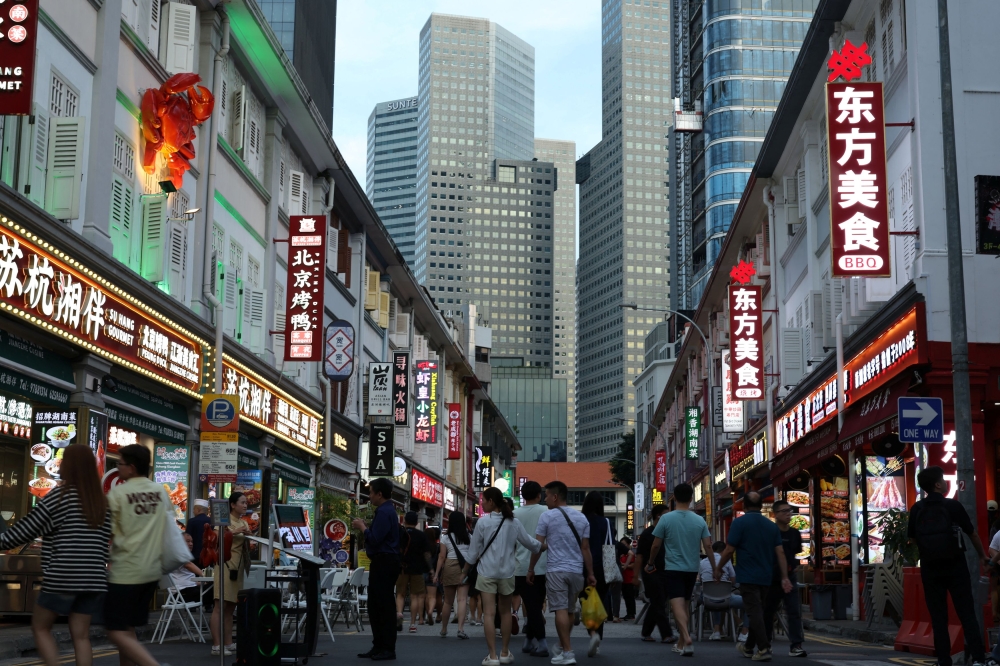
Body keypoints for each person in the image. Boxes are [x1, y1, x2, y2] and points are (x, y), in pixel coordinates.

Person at [0, 444, 110, 666]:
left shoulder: (60, 497)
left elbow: (24, 531)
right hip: (94, 579)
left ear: (67, 466)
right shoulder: (102, 503)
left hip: (63, 576)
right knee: (81, 636)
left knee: (40, 627)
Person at [908, 466, 989, 666]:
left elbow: (911, 539)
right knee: (967, 613)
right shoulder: (953, 506)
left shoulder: (917, 509)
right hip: (955, 566)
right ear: (937, 484)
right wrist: (982, 556)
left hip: (930, 569)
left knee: (938, 616)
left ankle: (944, 661)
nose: (945, 482)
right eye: (943, 480)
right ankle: (978, 659)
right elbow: (972, 534)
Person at [105, 444, 174, 666]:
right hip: (151, 572)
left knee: (115, 632)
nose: (118, 468)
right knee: (127, 629)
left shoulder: (118, 493)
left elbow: (108, 533)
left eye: (120, 463)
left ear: (132, 468)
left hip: (126, 571)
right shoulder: (160, 491)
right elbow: (169, 525)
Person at [463, 487, 541, 666]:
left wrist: (464, 571)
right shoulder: (512, 522)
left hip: (486, 572)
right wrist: (543, 547)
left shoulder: (483, 523)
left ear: (491, 501)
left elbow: (473, 552)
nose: (481, 503)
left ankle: (492, 656)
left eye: (483, 500)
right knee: (505, 613)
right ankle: (505, 653)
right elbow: (530, 543)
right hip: (507, 573)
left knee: (489, 614)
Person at [714, 491, 792, 662]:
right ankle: (749, 647)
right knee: (758, 611)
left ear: (744, 506)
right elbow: (780, 552)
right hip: (766, 576)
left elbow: (728, 550)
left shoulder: (739, 523)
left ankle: (764, 648)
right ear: (760, 505)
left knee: (754, 612)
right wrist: (784, 576)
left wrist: (718, 568)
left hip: (748, 575)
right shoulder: (771, 526)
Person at [528, 481, 597, 666]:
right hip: (576, 571)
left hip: (556, 569)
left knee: (560, 609)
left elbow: (538, 546)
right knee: (569, 609)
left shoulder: (547, 517)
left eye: (547, 495)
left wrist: (531, 568)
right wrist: (590, 573)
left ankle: (568, 652)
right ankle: (562, 647)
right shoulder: (582, 518)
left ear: (555, 497)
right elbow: (585, 548)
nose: (545, 499)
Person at [646, 482, 712, 656]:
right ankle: (683, 644)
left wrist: (651, 562)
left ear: (674, 498)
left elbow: (655, 545)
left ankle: (686, 637)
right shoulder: (699, 520)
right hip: (692, 568)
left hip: (673, 567)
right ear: (691, 498)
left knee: (676, 604)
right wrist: (715, 567)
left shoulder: (666, 518)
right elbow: (708, 546)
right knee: (686, 604)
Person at [351, 477, 400, 661]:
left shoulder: (385, 512)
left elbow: (375, 538)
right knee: (376, 605)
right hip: (385, 561)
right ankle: (379, 645)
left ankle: (386, 647)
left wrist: (363, 527)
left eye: (371, 492)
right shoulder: (387, 511)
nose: (369, 496)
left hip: (385, 561)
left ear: (380, 494)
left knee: (383, 606)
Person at [209, 492, 251, 655]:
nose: (245, 505)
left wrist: (248, 534)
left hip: (238, 568)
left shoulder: (243, 522)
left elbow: (248, 543)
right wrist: (236, 531)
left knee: (231, 606)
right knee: (220, 605)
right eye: (242, 502)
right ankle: (216, 645)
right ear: (232, 505)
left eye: (246, 502)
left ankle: (228, 642)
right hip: (225, 564)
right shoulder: (226, 521)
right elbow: (216, 537)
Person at [763, 500, 806, 657]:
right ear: (775, 514)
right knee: (768, 612)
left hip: (790, 578)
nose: (788, 514)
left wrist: (791, 571)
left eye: (790, 510)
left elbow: (795, 554)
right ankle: (765, 644)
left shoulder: (795, 533)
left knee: (794, 611)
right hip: (772, 579)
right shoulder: (770, 533)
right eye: (784, 511)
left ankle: (796, 645)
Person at [514, 481, 550, 657]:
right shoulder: (546, 511)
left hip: (520, 566)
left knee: (531, 604)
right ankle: (532, 641)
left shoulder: (513, 514)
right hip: (544, 565)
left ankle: (538, 642)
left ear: (522, 495)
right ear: (539, 495)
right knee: (536, 603)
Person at [634, 504, 676, 644]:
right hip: (651, 572)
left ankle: (646, 632)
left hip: (666, 571)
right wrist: (635, 576)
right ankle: (666, 634)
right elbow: (639, 557)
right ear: (658, 516)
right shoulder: (647, 534)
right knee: (658, 603)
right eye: (666, 514)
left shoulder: (667, 533)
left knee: (657, 603)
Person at [581, 490, 614, 650]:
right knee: (599, 603)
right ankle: (598, 636)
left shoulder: (580, 520)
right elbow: (609, 545)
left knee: (586, 604)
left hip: (582, 567)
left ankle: (592, 634)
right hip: (602, 568)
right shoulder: (606, 522)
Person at [434, 511, 472, 639]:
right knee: (462, 600)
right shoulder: (468, 536)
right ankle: (460, 629)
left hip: (450, 566)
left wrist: (437, 573)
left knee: (448, 602)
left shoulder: (446, 537)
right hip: (464, 568)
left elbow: (441, 557)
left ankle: (444, 629)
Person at [697, 541, 745, 641]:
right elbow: (733, 580)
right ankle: (745, 630)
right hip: (725, 598)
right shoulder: (726, 562)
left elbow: (700, 580)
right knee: (749, 601)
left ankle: (717, 630)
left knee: (716, 596)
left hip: (707, 599)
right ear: (724, 551)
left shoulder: (702, 562)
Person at [395, 511, 430, 633]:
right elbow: (426, 554)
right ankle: (413, 624)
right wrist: (430, 569)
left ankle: (399, 613)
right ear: (416, 522)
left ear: (404, 521)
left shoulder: (400, 534)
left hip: (402, 568)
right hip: (417, 569)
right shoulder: (421, 535)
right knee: (415, 596)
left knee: (400, 593)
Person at [171, 533, 206, 603]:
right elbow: (188, 565)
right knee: (217, 593)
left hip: (183, 591)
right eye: (187, 541)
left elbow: (185, 580)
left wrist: (203, 583)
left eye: (192, 541)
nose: (191, 544)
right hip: (182, 594)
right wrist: (206, 575)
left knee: (215, 589)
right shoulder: (178, 554)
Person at [424, 526, 442, 625]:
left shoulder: (422, 547)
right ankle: (437, 614)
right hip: (435, 572)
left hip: (423, 572)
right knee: (437, 595)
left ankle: (427, 614)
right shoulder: (438, 547)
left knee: (426, 595)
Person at [186, 499, 212, 565]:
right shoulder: (212, 521)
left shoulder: (192, 521)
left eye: (194, 509)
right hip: (210, 556)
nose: (193, 511)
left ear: (198, 509)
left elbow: (187, 538)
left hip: (195, 556)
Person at [619, 540, 636, 621]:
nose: (623, 546)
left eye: (624, 544)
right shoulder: (622, 554)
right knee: (626, 597)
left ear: (628, 544)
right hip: (623, 578)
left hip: (629, 578)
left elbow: (633, 565)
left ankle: (631, 613)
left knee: (630, 597)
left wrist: (624, 565)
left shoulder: (631, 554)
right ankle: (629, 613)